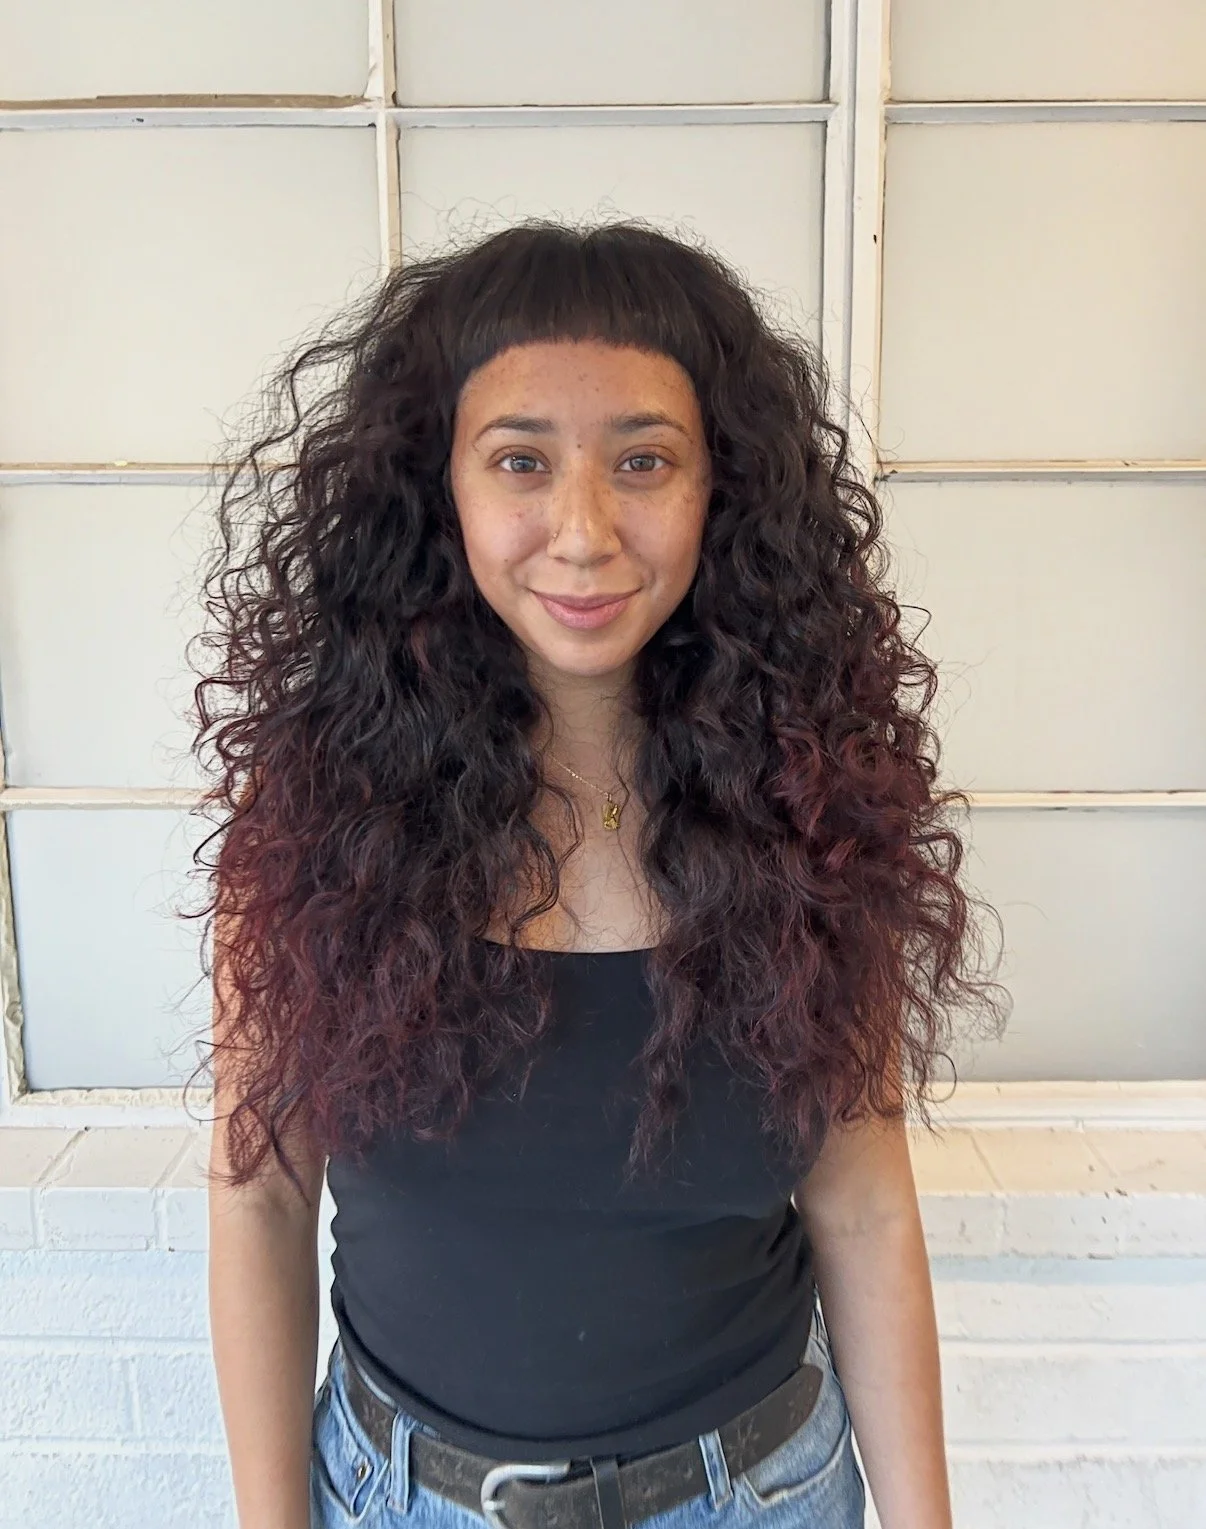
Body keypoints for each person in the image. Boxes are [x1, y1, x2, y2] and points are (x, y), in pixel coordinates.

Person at [192, 220, 1008, 1529]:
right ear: (436, 488)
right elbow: (261, 1199)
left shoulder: (816, 825)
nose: (582, 532)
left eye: (642, 461)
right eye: (521, 461)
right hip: (403, 1500)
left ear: (719, 489)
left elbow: (859, 1207)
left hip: (753, 1498)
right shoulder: (311, 833)